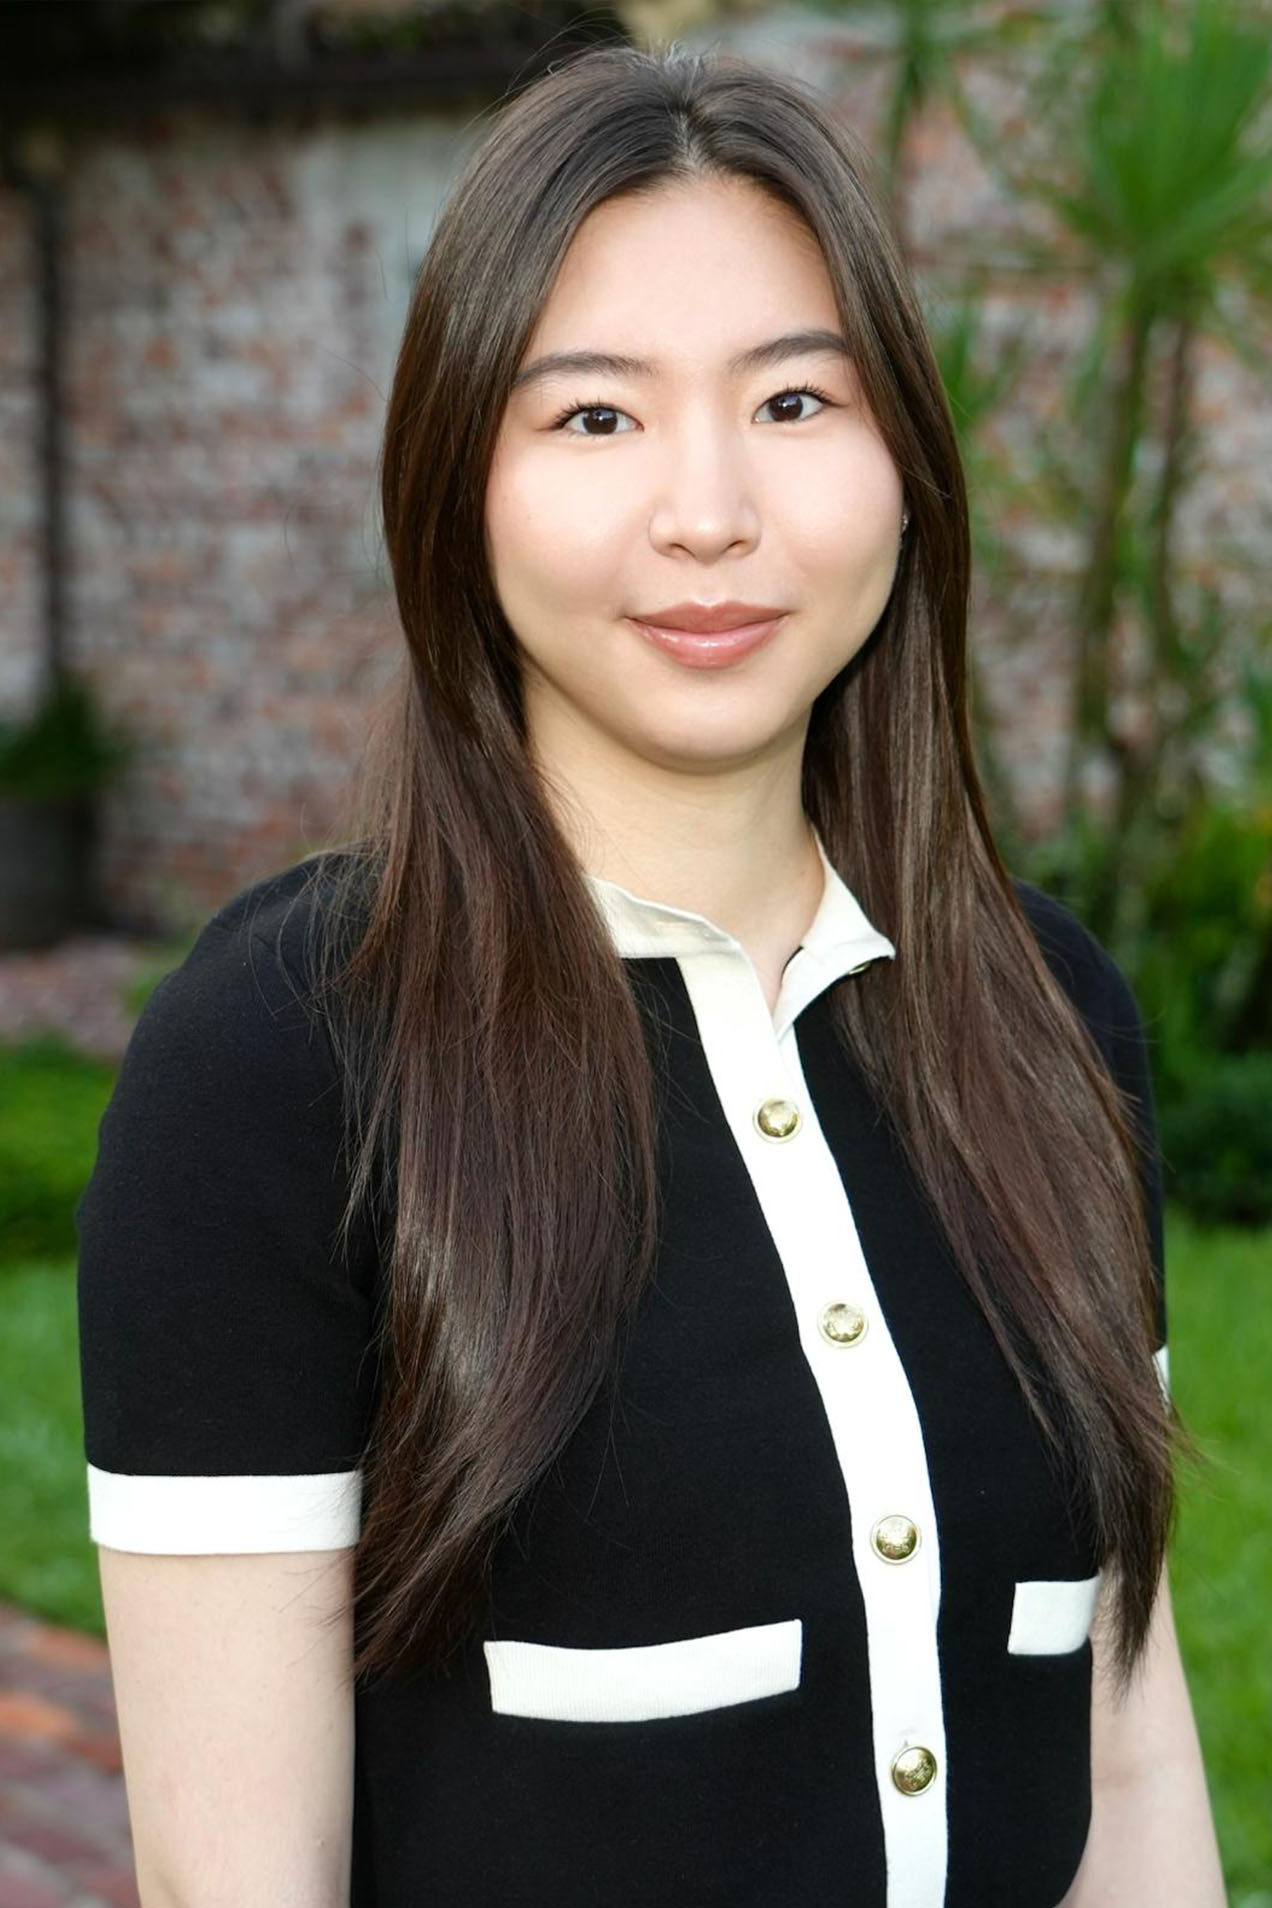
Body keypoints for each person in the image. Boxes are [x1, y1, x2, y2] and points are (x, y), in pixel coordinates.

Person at [75, 39, 1226, 1908]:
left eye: (793, 400)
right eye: (593, 418)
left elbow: (1128, 1739)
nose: (709, 509)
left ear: (905, 464)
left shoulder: (1049, 1015)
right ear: (461, 486)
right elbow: (235, 1877)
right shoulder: (280, 1066)